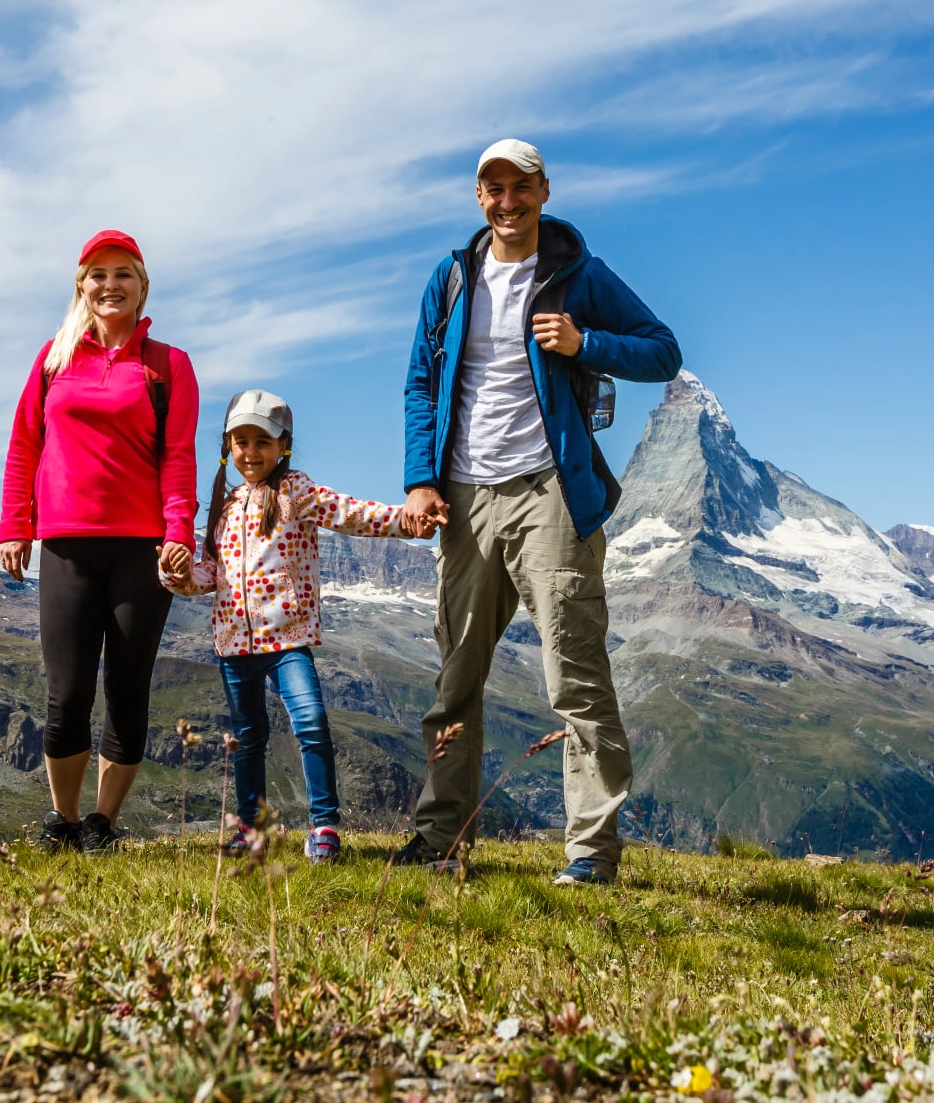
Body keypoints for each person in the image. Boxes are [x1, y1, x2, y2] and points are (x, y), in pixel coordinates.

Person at [393, 139, 681, 886]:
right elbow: (421, 382)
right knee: (456, 676)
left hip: (551, 492)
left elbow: (663, 351)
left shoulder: (578, 275)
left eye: (520, 187)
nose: (507, 201)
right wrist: (421, 479)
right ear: (478, 196)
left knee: (575, 674)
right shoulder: (453, 278)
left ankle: (590, 851)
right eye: (493, 188)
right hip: (463, 499)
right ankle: (441, 836)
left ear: (544, 190)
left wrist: (587, 342)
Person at [0, 229, 200, 854]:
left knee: (128, 689)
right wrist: (14, 524)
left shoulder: (168, 364)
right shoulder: (53, 358)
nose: (109, 286)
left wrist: (179, 534)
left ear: (143, 287)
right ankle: (61, 819)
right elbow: (24, 443)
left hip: (141, 549)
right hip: (65, 546)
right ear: (81, 287)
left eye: (123, 275)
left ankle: (102, 825)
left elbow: (178, 458)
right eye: (98, 275)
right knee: (67, 690)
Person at [161, 389, 414, 862]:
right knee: (248, 739)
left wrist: (406, 520)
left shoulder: (295, 491)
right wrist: (175, 574)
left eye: (262, 441)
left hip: (288, 640)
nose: (251, 452)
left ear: (284, 446)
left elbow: (348, 512)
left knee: (311, 723)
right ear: (227, 447)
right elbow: (209, 576)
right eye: (241, 442)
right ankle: (250, 829)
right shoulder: (224, 504)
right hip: (233, 645)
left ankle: (324, 827)